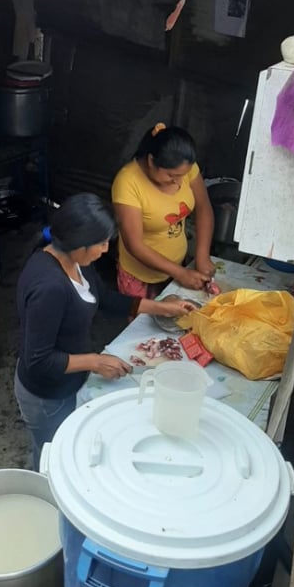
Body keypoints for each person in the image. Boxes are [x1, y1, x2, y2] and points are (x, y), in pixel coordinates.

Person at [14, 193, 196, 469]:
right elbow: (38, 361)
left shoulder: (76, 262)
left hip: (68, 381)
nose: (105, 249)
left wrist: (162, 308)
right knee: (53, 456)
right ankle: (42, 487)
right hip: (47, 395)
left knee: (68, 446)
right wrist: (95, 362)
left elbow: (106, 299)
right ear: (79, 243)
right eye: (101, 243)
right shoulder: (50, 288)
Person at [111, 123, 216, 298]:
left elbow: (204, 208)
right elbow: (134, 245)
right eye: (172, 176)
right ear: (151, 161)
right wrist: (180, 273)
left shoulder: (184, 167)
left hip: (176, 271)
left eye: (183, 175)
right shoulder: (127, 183)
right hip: (140, 277)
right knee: (146, 315)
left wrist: (202, 256)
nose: (179, 181)